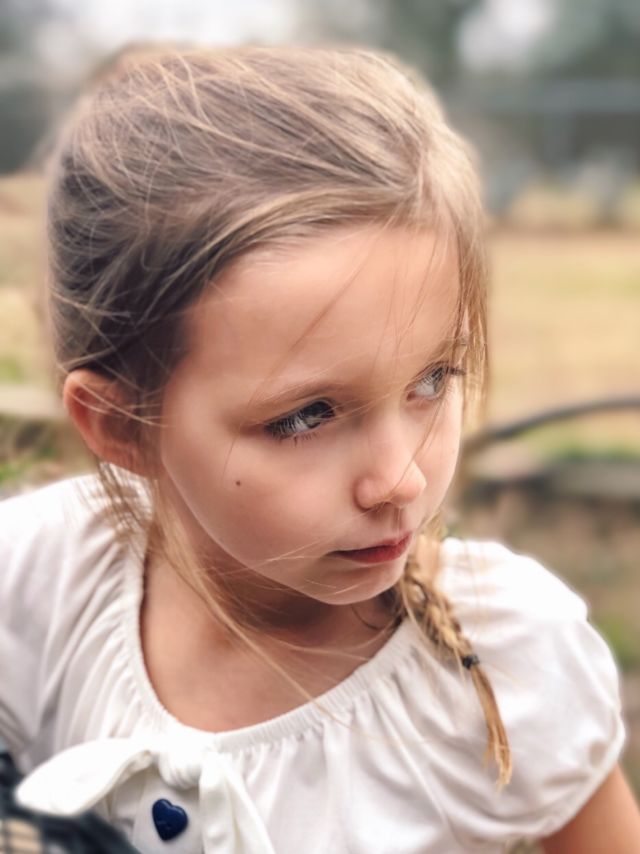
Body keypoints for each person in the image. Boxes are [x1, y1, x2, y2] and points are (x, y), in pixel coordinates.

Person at [0, 45, 638, 854]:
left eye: (433, 379)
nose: (399, 479)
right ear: (122, 425)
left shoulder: (510, 659)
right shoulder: (38, 581)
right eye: (307, 417)